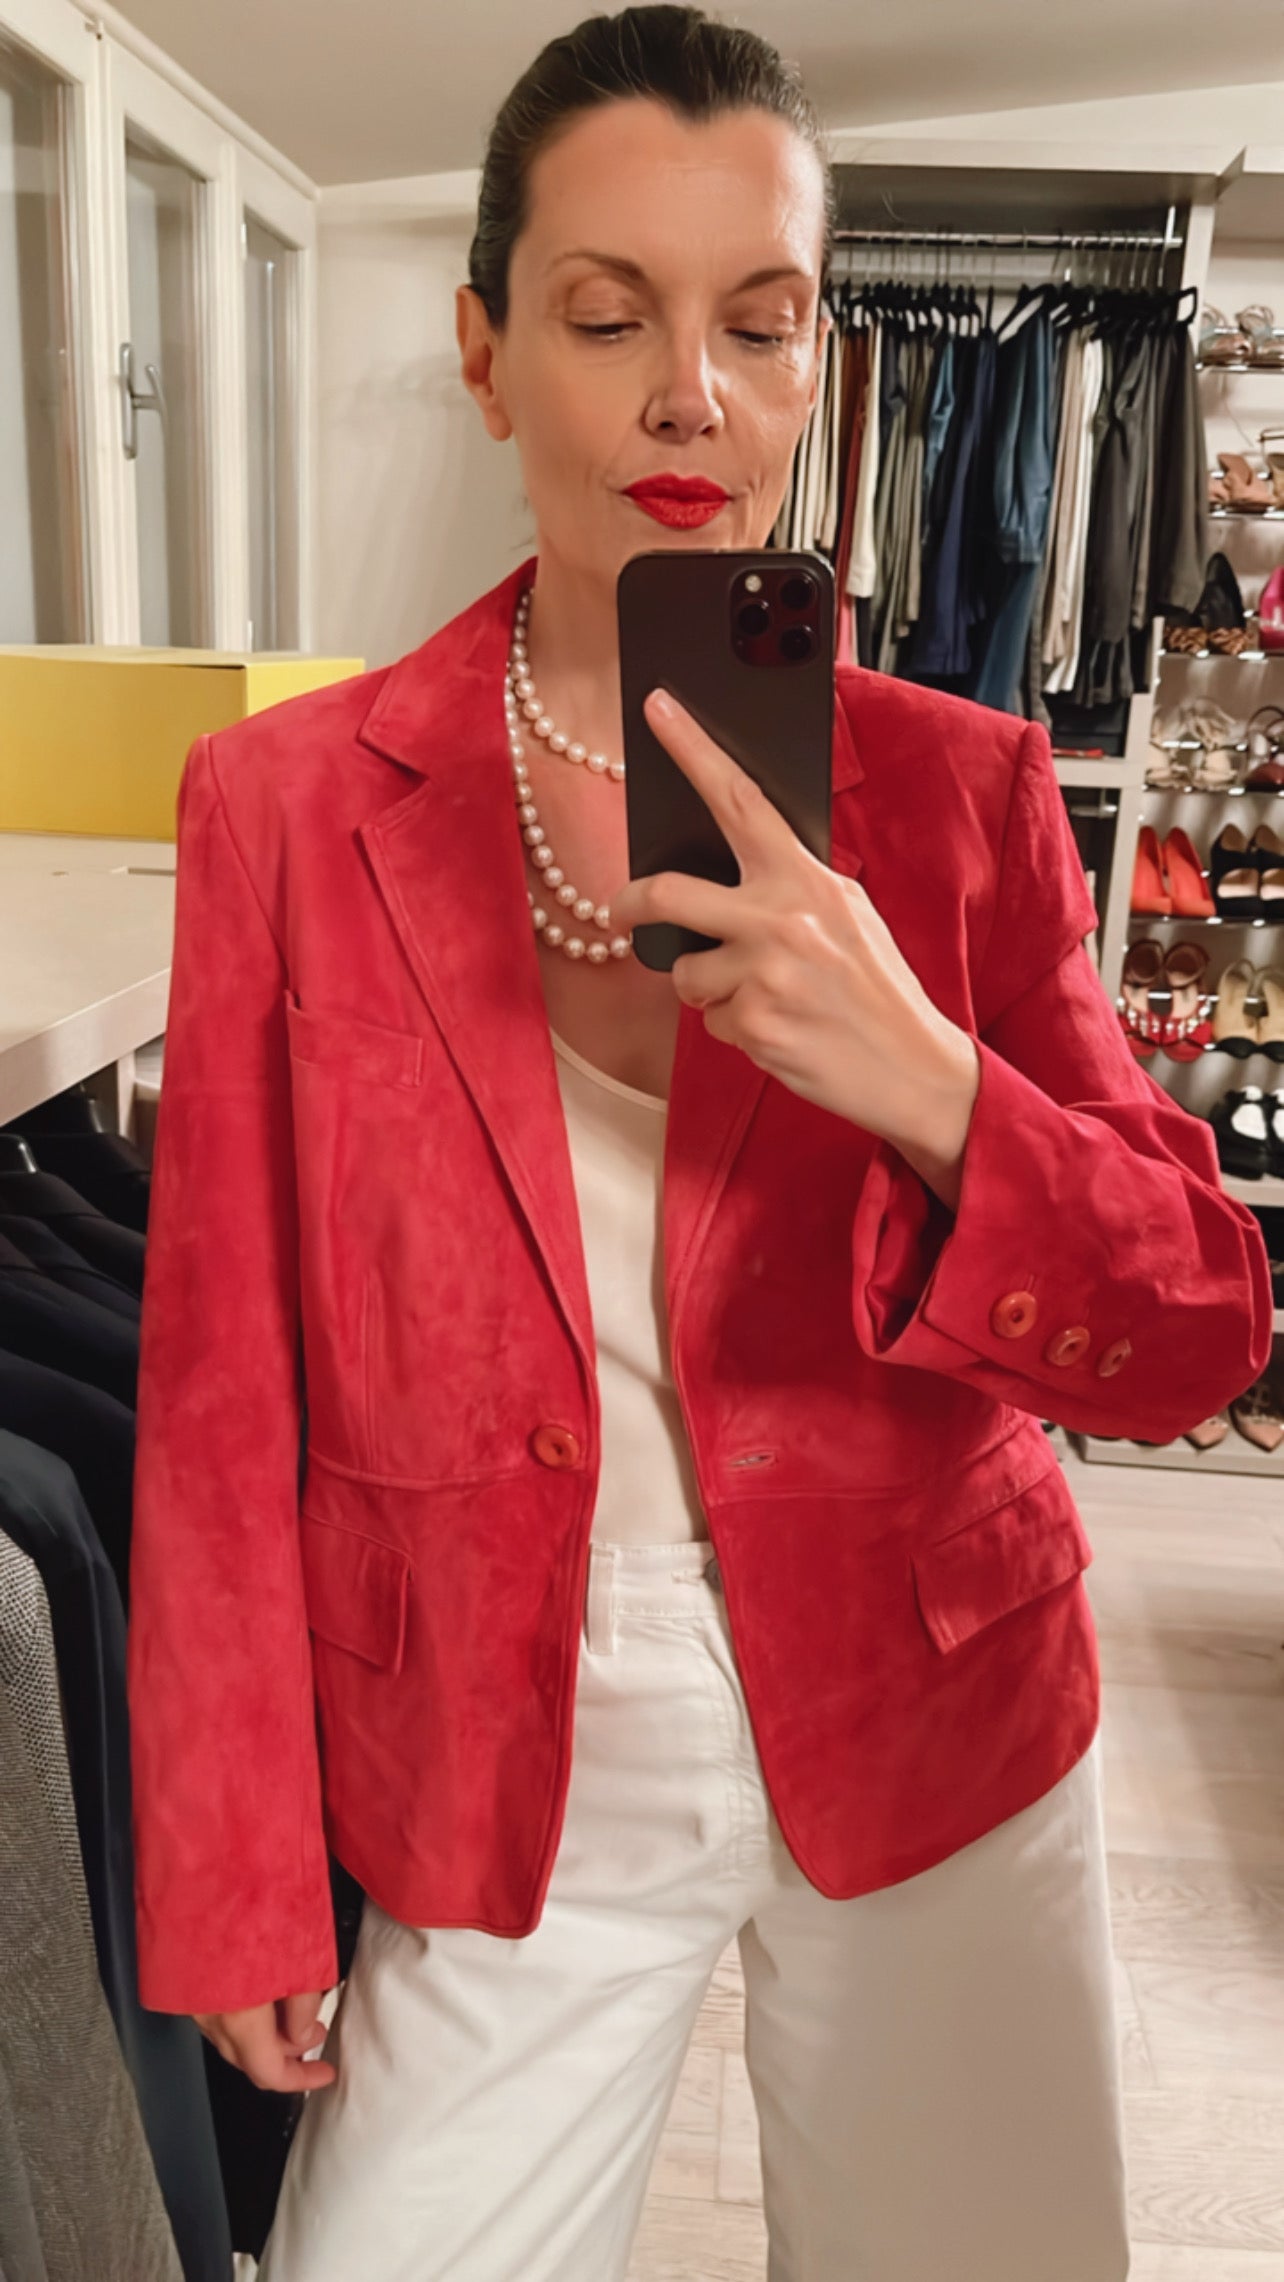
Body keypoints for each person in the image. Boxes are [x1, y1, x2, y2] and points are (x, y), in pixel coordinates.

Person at [125, 9, 1274, 2279]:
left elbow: (1196, 1333)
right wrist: (232, 1853)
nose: (690, 397)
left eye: (758, 323)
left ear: (815, 359)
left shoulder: (956, 790)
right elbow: (217, 1382)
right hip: (502, 1722)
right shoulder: (289, 807)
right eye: (605, 317)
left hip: (938, 1699)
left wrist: (930, 1078)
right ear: (483, 353)